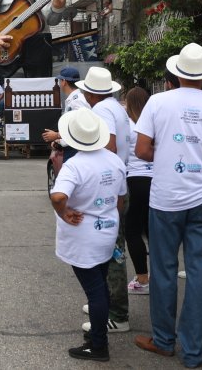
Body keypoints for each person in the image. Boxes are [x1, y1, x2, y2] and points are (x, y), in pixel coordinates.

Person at [132, 43, 202, 368]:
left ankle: (164, 341)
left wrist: (165, 154)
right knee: (199, 273)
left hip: (165, 198)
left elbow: (140, 150)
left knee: (163, 270)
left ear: (176, 73)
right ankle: (193, 352)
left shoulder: (157, 102)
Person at [49, 108, 128, 362]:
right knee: (100, 287)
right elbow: (120, 199)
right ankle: (97, 335)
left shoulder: (75, 166)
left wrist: (64, 213)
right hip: (106, 233)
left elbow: (59, 196)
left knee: (95, 292)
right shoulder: (114, 160)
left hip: (83, 239)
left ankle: (98, 345)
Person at [76, 67, 131, 335]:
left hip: (109, 186)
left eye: (85, 90)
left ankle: (118, 315)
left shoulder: (101, 111)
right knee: (107, 247)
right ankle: (104, 302)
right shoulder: (116, 107)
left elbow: (108, 145)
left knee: (111, 251)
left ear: (90, 93)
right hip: (118, 182)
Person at [122, 86, 154, 296]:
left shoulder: (128, 126)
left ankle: (142, 279)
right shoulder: (155, 123)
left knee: (132, 231)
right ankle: (160, 275)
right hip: (157, 180)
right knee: (153, 230)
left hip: (135, 180)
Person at [43, 65, 89, 163]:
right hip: (72, 146)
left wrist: (57, 135)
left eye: (60, 81)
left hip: (75, 149)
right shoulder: (75, 99)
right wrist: (60, 141)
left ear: (64, 82)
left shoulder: (77, 101)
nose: (59, 84)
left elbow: (79, 128)